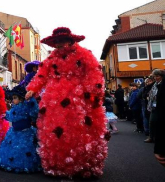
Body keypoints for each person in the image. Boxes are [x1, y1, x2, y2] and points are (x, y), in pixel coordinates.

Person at [25, 27, 109, 178]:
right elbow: (42, 74)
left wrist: (94, 92)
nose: (59, 44)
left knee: (79, 130)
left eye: (61, 41)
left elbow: (94, 72)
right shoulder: (51, 58)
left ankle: (82, 164)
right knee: (56, 131)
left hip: (80, 97)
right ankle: (59, 163)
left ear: (70, 41)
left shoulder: (84, 54)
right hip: (55, 99)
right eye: (56, 42)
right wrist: (32, 89)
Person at [0, 85, 42, 173]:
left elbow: (34, 112)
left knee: (23, 150)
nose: (13, 100)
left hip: (25, 133)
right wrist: (5, 115)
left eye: (15, 98)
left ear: (21, 98)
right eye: (13, 98)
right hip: (15, 133)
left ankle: (24, 165)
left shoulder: (26, 107)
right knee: (13, 150)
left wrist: (31, 100)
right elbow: (11, 116)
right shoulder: (14, 107)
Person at [147, 69, 165, 144]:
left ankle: (159, 138)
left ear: (162, 76)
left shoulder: (164, 84)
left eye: (157, 76)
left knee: (160, 123)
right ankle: (151, 137)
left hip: (161, 106)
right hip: (154, 106)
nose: (156, 78)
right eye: (155, 76)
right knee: (152, 121)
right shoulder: (155, 84)